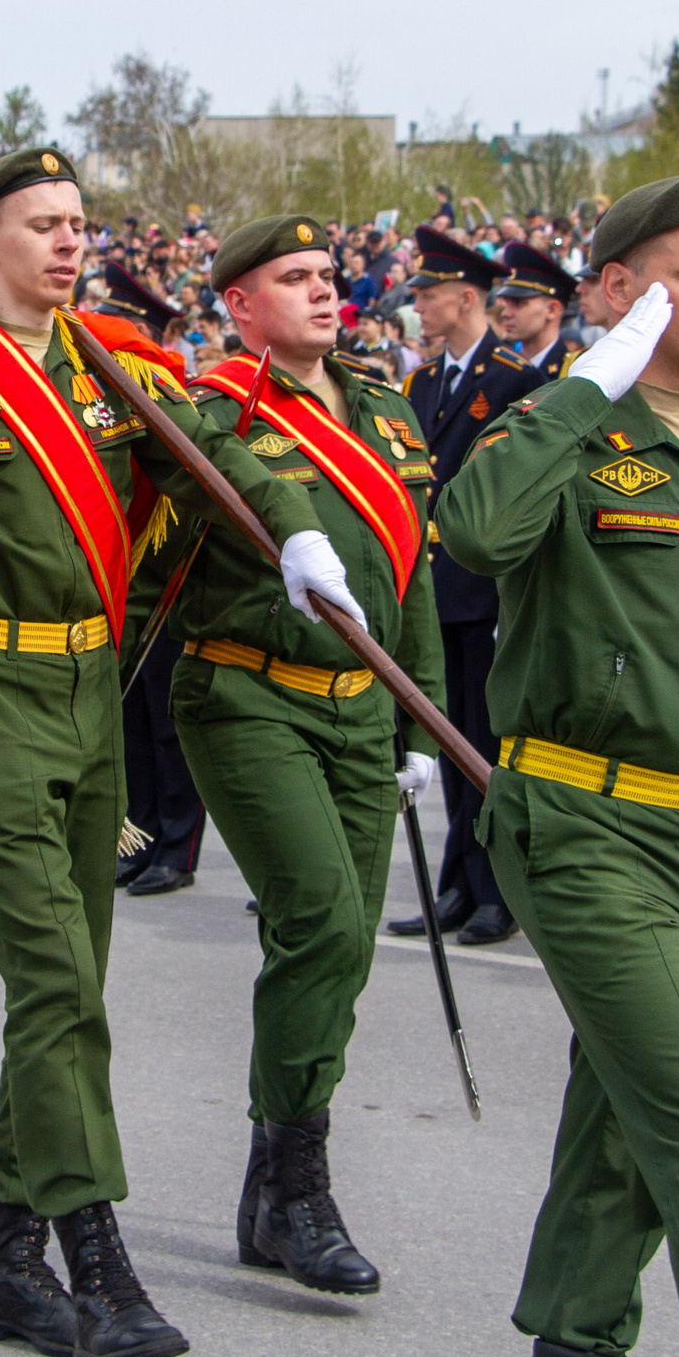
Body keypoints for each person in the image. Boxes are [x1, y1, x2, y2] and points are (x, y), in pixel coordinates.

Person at [0, 146, 354, 1357]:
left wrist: (300, 532)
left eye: (76, 221)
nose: (66, 240)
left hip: (92, 680)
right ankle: (94, 1254)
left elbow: (221, 459)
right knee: (54, 978)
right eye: (40, 222)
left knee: (74, 980)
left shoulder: (106, 367)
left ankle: (9, 1259)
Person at [437, 172, 679, 1357]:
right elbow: (474, 531)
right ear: (615, 290)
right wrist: (583, 385)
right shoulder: (567, 425)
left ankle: (573, 1350)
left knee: (624, 1108)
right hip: (581, 822)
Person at [147, 212, 444, 1296]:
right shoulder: (203, 408)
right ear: (239, 302)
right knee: (318, 914)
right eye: (295, 277)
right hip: (246, 691)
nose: (325, 292)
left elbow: (410, 577)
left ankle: (273, 1184)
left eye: (329, 275)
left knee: (343, 944)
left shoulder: (383, 408)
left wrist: (420, 721)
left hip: (362, 705)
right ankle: (301, 1183)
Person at [391, 229, 537, 944]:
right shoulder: (421, 381)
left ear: (466, 297)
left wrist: (518, 597)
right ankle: (456, 883)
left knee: (487, 745)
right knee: (448, 742)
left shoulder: (515, 380)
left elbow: (525, 498)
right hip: (434, 585)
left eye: (427, 294)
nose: (416, 305)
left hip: (486, 588)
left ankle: (496, 893)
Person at [98, 258, 207, 894]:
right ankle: (139, 833)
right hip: (122, 579)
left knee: (167, 723)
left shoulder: (175, 400)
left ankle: (178, 846)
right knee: (130, 716)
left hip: (167, 580)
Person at [493, 242, 582, 380]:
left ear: (552, 310)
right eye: (507, 303)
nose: (505, 313)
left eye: (518, 303)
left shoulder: (572, 373)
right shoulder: (499, 369)